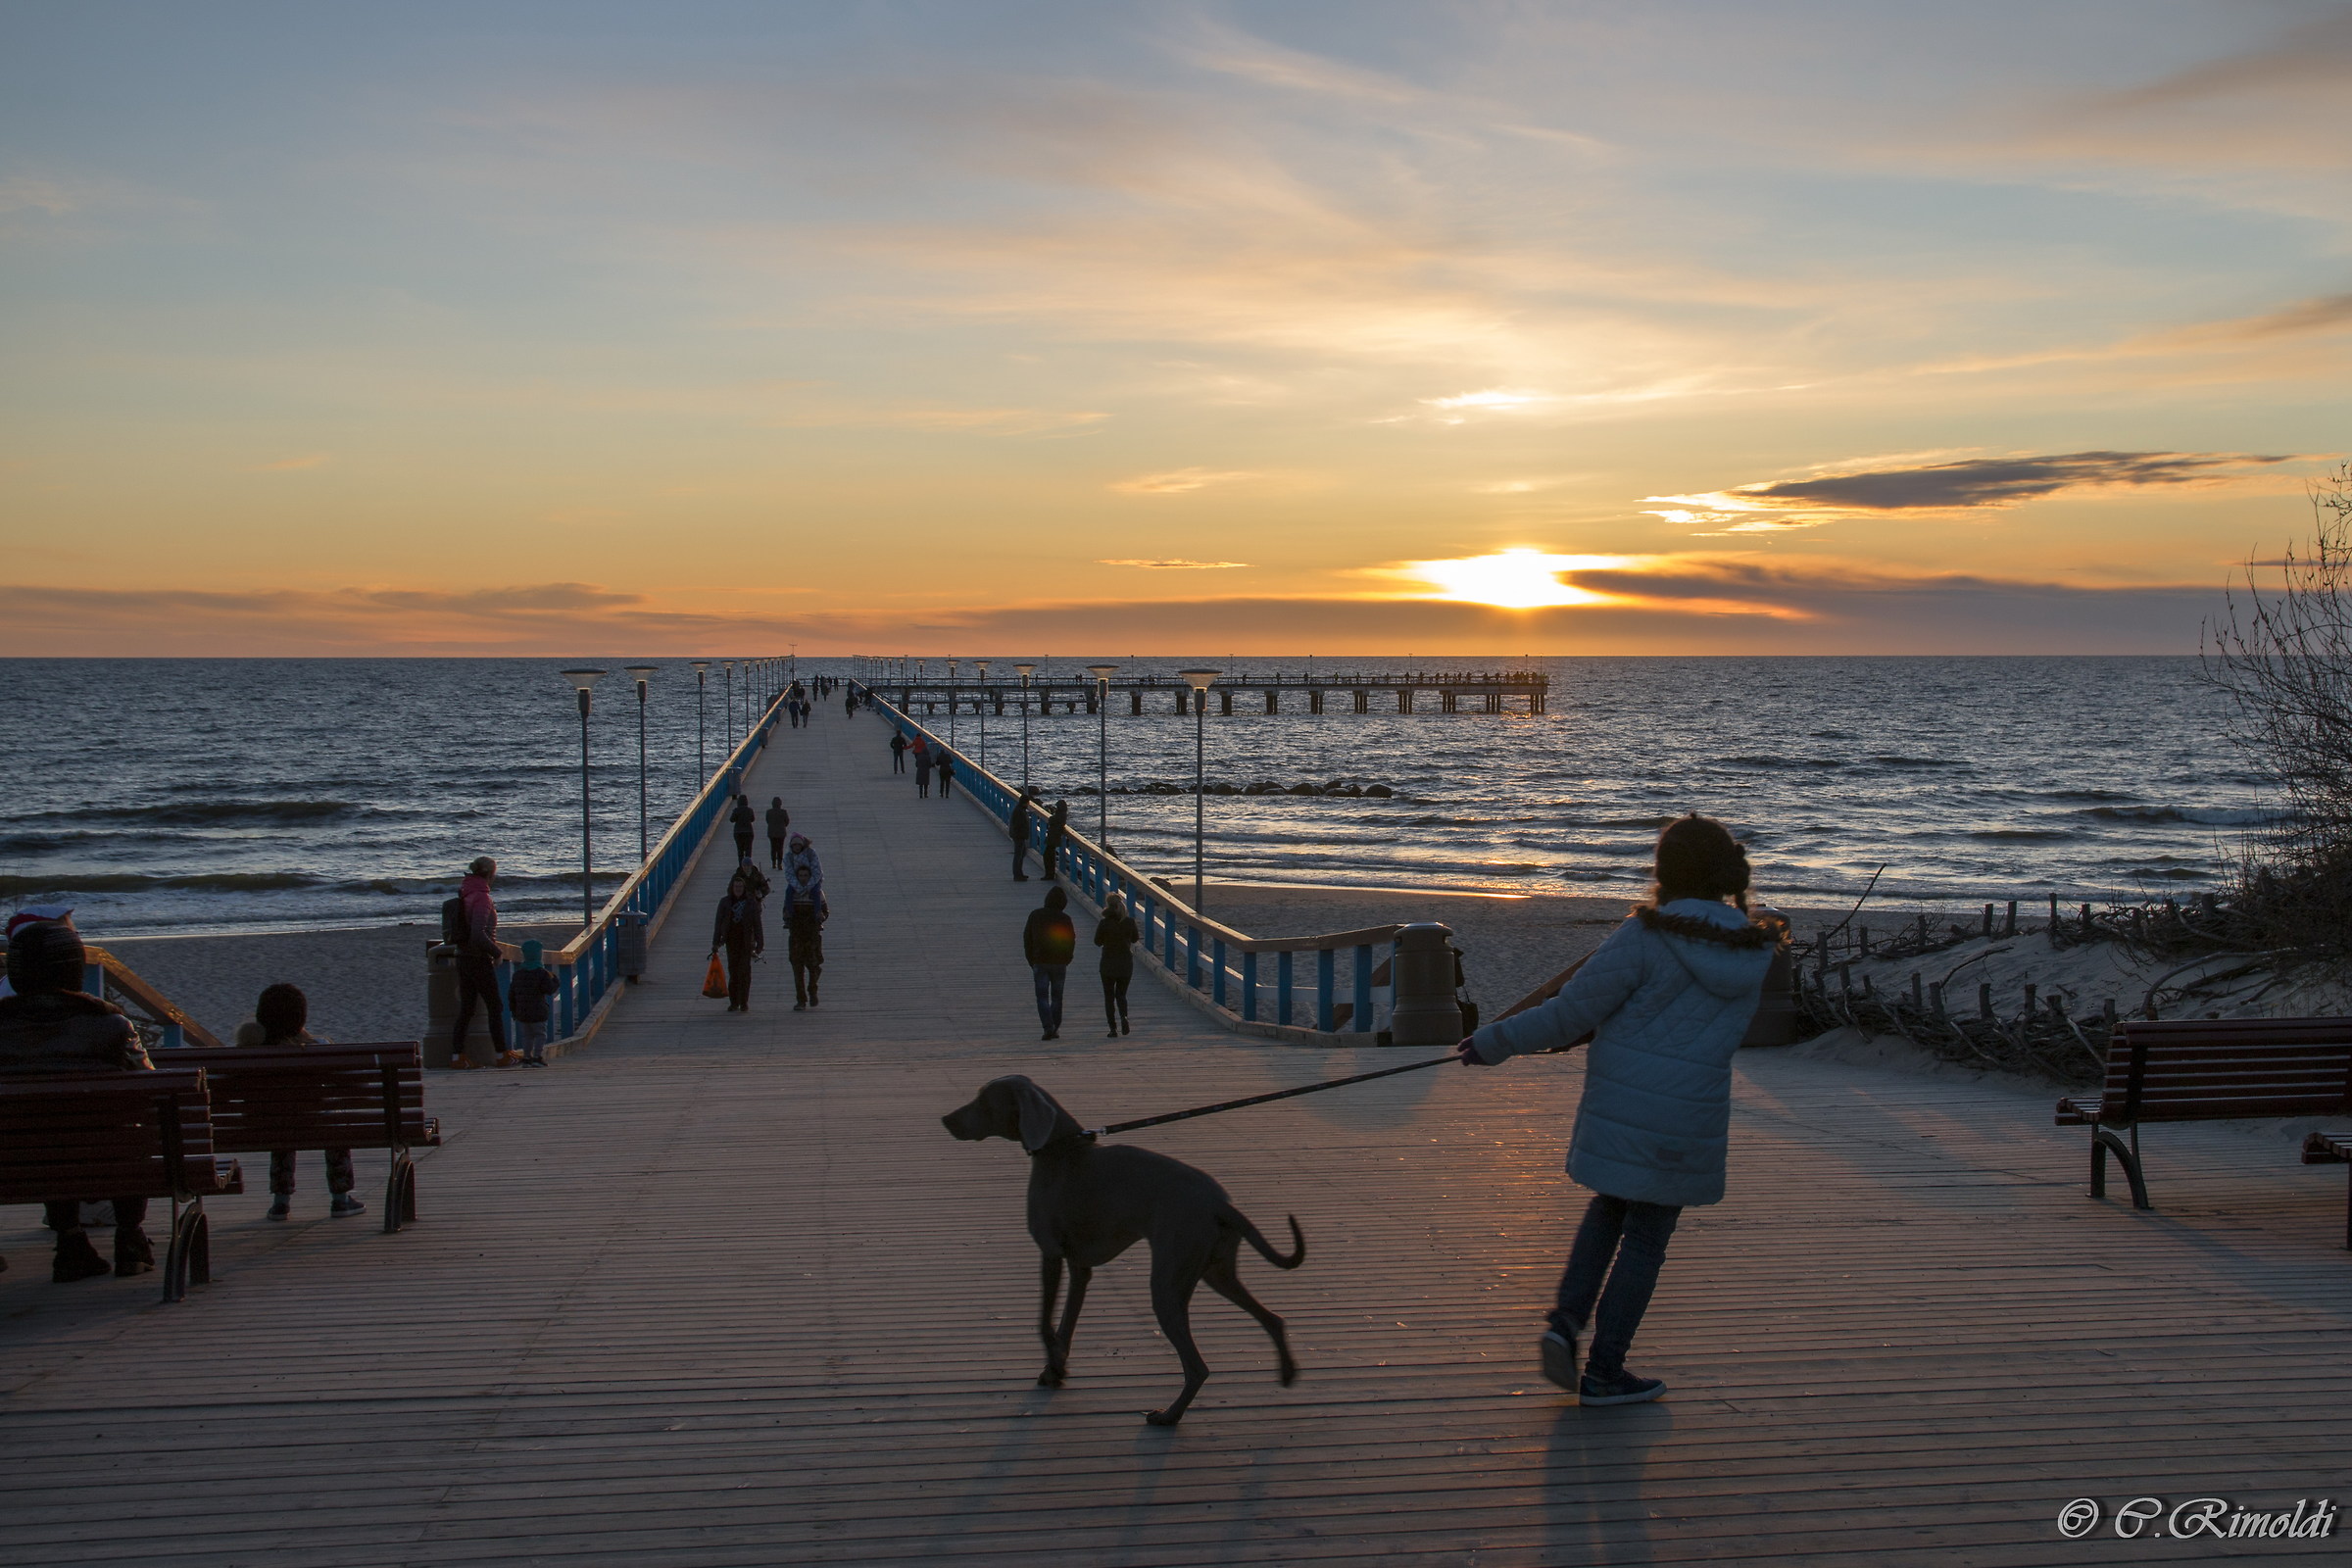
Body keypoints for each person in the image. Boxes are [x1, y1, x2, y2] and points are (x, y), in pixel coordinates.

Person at [1455, 813, 1774, 1407]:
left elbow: (1570, 1013)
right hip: (1692, 1113)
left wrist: (1494, 1042)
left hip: (1622, 1102)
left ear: (1664, 873)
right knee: (1647, 1237)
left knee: (1609, 1208)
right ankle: (1605, 1370)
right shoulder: (1751, 949)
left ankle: (1565, 1323)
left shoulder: (1646, 935)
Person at [0, 918, 157, 1280]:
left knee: (41, 1132)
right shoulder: (112, 1026)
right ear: (73, 969)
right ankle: (129, 1237)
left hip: (18, 1163)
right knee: (127, 1131)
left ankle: (70, 1239)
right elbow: (149, 1087)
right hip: (106, 1157)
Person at [236, 984, 366, 1219]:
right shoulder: (318, 1049)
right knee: (334, 1126)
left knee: (282, 1128)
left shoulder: (246, 1053)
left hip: (262, 1125)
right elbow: (352, 1086)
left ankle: (280, 1202)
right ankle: (340, 1199)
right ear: (301, 1018)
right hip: (314, 1123)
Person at [450, 856, 509, 1070]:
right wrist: (496, 952)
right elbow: (478, 933)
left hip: (462, 956)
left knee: (467, 1008)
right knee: (495, 1006)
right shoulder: (482, 897)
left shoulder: (465, 891)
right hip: (477, 958)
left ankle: (457, 1057)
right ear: (490, 874)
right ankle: (502, 1054)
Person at [1022, 885, 1076, 1041]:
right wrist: (1068, 958)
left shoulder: (1035, 915)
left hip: (1040, 961)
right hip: (1059, 962)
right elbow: (1070, 940)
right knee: (1057, 997)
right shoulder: (1065, 919)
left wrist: (1030, 959)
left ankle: (1048, 1027)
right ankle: (1055, 1027)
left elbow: (1027, 939)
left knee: (1042, 996)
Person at [710, 872, 764, 1013]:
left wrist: (760, 943)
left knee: (744, 972)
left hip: (746, 941)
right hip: (731, 941)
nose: (738, 889)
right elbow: (718, 923)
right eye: (736, 886)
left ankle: (744, 1002)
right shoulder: (725, 902)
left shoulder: (751, 903)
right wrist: (716, 942)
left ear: (744, 888)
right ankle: (734, 1002)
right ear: (731, 887)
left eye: (740, 886)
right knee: (733, 972)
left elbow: (757, 924)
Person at [782, 862, 827, 1010]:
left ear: (810, 877)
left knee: (814, 966)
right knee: (797, 969)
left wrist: (821, 916)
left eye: (805, 876)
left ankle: (812, 988)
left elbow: (826, 911)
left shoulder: (817, 892)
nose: (803, 879)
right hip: (796, 935)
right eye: (800, 876)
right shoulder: (791, 892)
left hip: (812, 935)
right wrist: (787, 917)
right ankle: (801, 1000)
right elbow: (785, 911)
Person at [1095, 892, 1138, 1037]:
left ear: (1108, 905)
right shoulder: (1129, 922)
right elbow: (1135, 939)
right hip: (1125, 963)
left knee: (1109, 997)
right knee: (1121, 994)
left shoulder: (1104, 923)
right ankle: (1124, 1017)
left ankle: (1112, 1028)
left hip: (1108, 964)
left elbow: (1097, 942)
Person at [509, 939, 558, 1067]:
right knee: (540, 1034)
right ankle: (537, 1057)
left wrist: (513, 1010)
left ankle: (526, 1058)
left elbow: (512, 994)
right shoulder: (542, 973)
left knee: (527, 1036)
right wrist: (555, 981)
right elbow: (548, 989)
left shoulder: (518, 974)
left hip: (522, 1011)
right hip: (538, 1010)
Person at [1008, 787, 1037, 881]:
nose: (1029, 804)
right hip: (1019, 836)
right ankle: (1017, 875)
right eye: (1028, 802)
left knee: (1022, 854)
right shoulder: (1019, 811)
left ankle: (1020, 873)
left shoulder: (1020, 809)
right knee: (1018, 855)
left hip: (1020, 835)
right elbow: (1018, 825)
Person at [1043, 799, 1069, 883]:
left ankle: (1049, 874)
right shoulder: (1062, 815)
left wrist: (1052, 817)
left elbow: (1051, 820)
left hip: (1053, 837)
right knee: (1049, 855)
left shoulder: (1060, 815)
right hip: (1054, 837)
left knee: (1047, 856)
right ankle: (1050, 873)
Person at [765, 796, 790, 869]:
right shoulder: (783, 812)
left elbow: (767, 821)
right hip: (781, 833)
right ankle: (779, 863)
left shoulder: (769, 812)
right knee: (780, 848)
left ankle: (773, 863)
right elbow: (787, 821)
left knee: (773, 847)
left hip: (772, 832)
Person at [730, 793, 757, 861]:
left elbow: (731, 820)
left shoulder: (736, 810)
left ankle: (741, 866)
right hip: (748, 832)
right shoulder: (750, 810)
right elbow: (753, 819)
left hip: (738, 832)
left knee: (740, 850)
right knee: (748, 850)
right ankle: (748, 865)